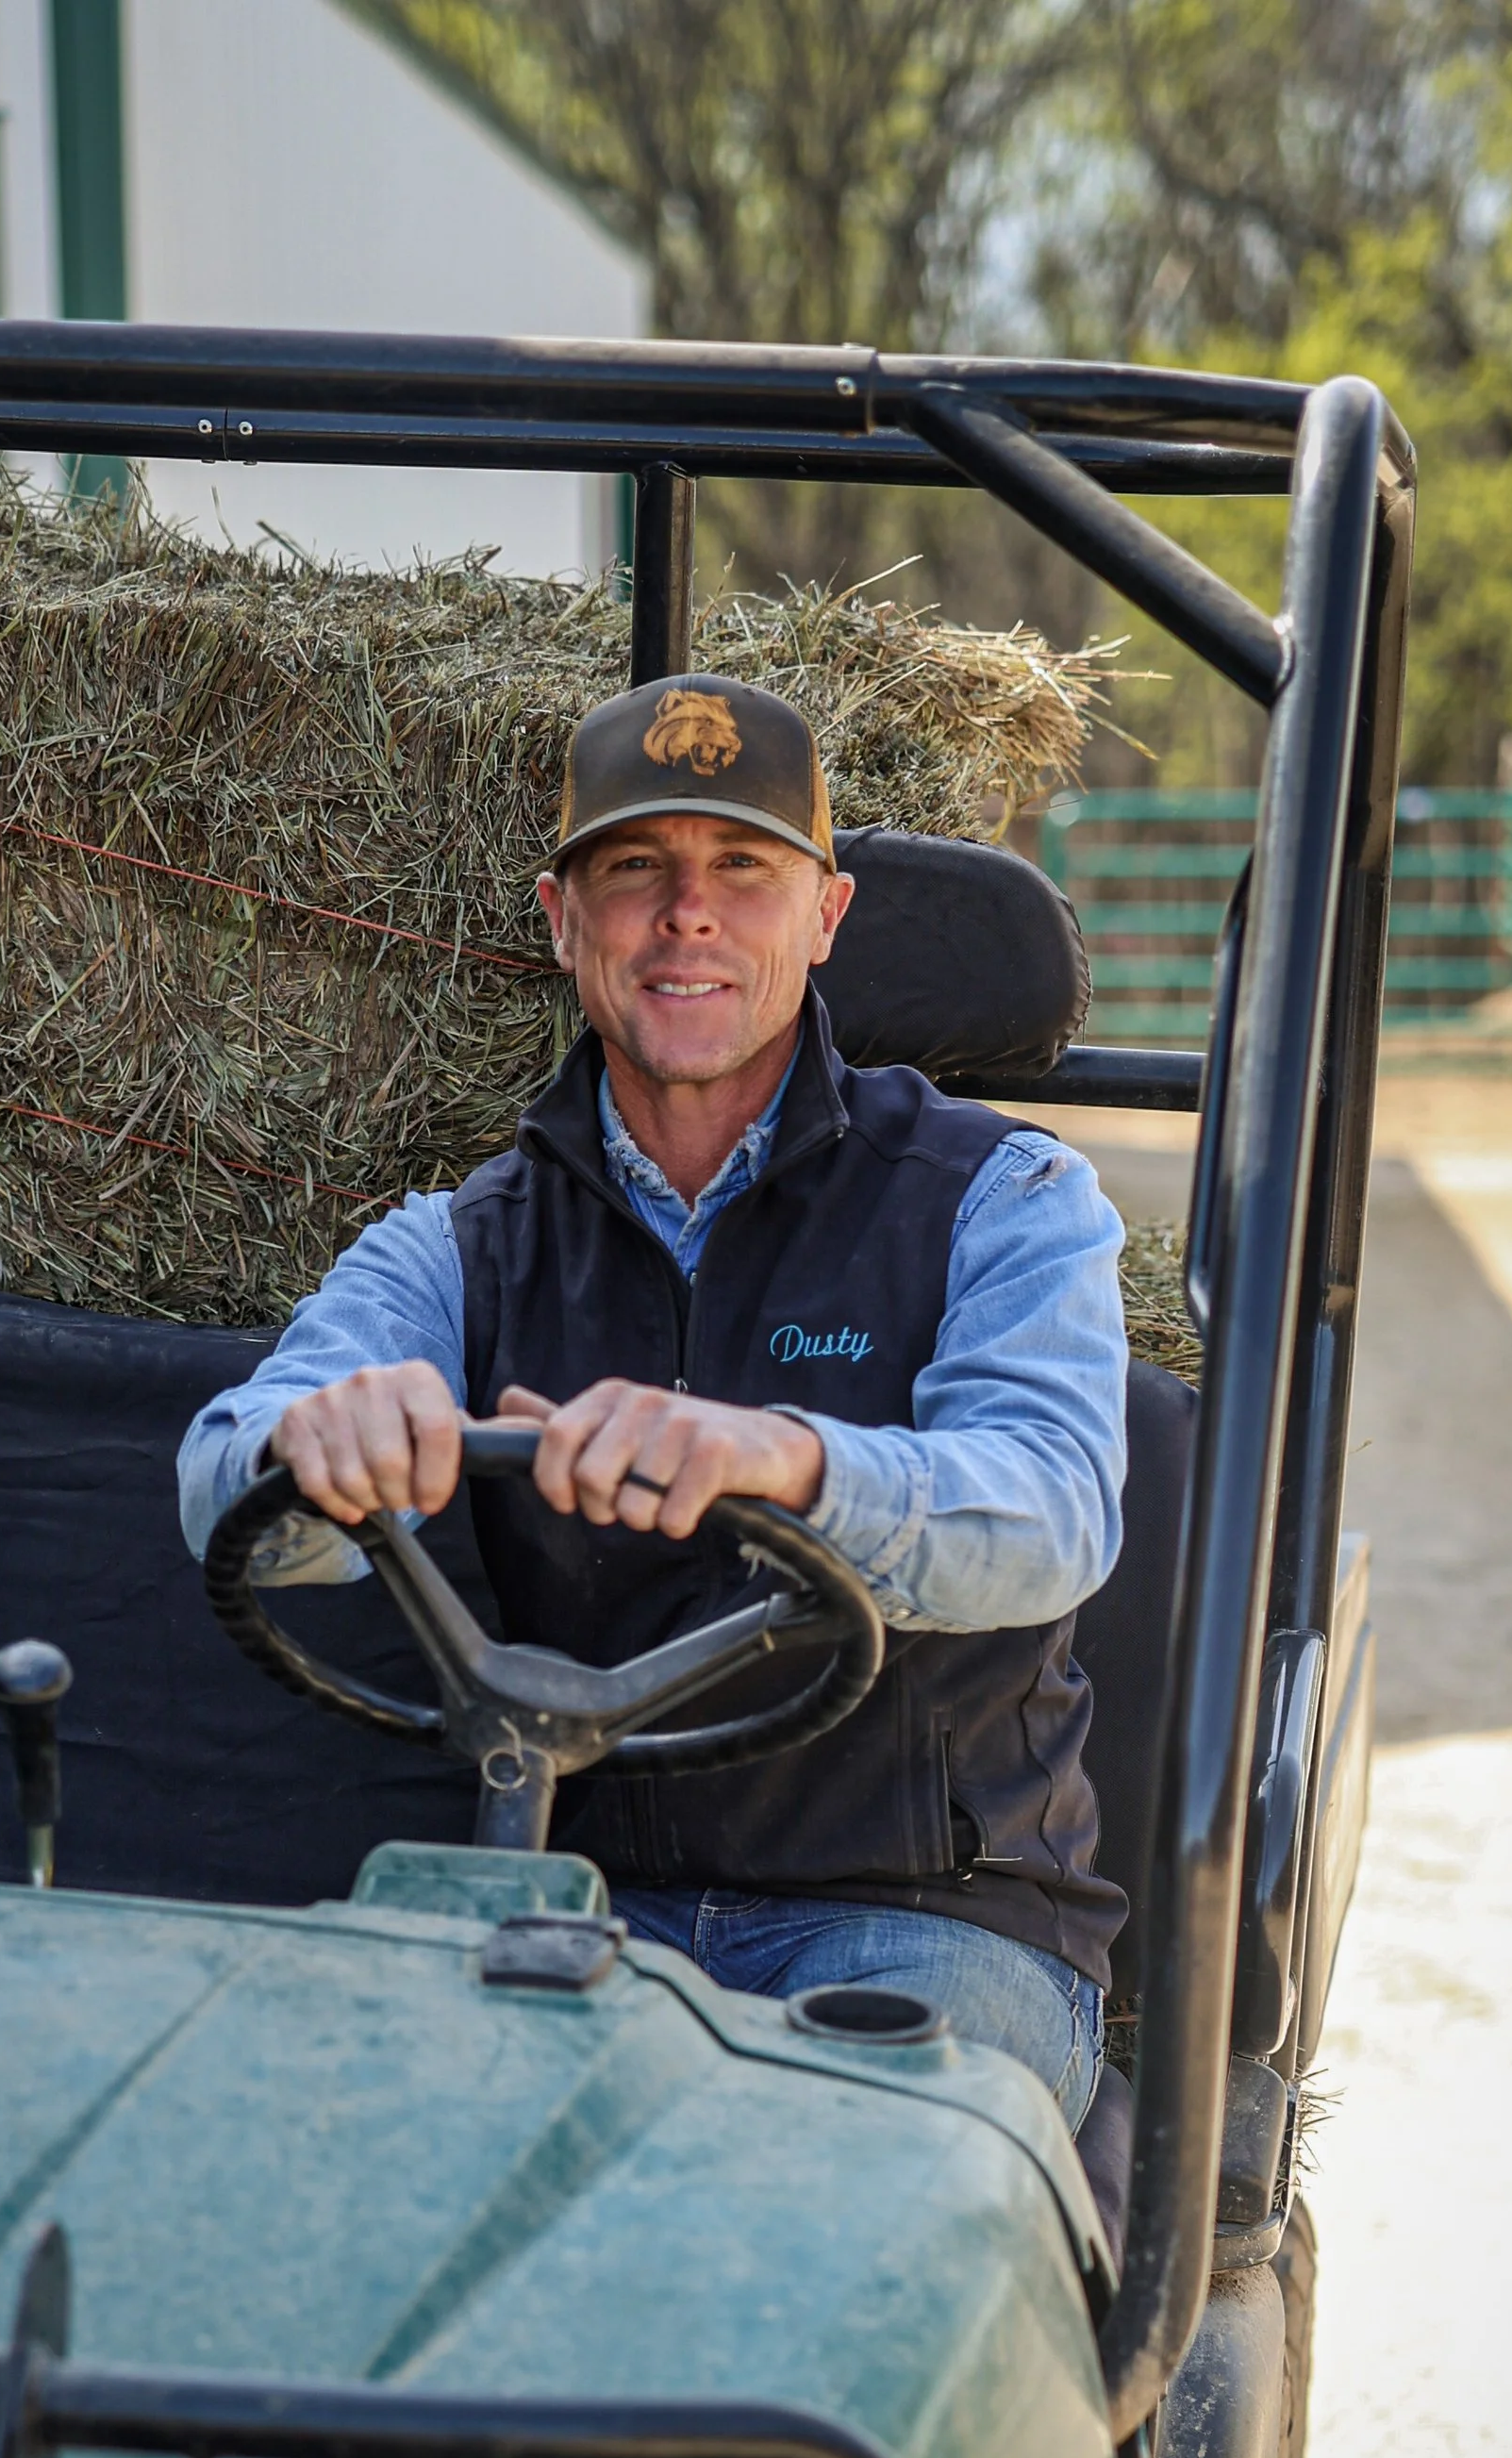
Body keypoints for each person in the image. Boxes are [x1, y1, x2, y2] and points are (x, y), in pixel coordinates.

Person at [178, 673, 1128, 2126]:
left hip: (927, 1922)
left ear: (824, 918)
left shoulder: (1004, 1197)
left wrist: (786, 1458)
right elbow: (221, 1482)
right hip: (574, 1901)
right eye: (637, 869)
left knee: (817, 2167)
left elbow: (1052, 1511)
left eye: (743, 867)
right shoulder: (454, 1241)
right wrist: (318, 1451)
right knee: (322, 2134)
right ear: (565, 924)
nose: (689, 912)